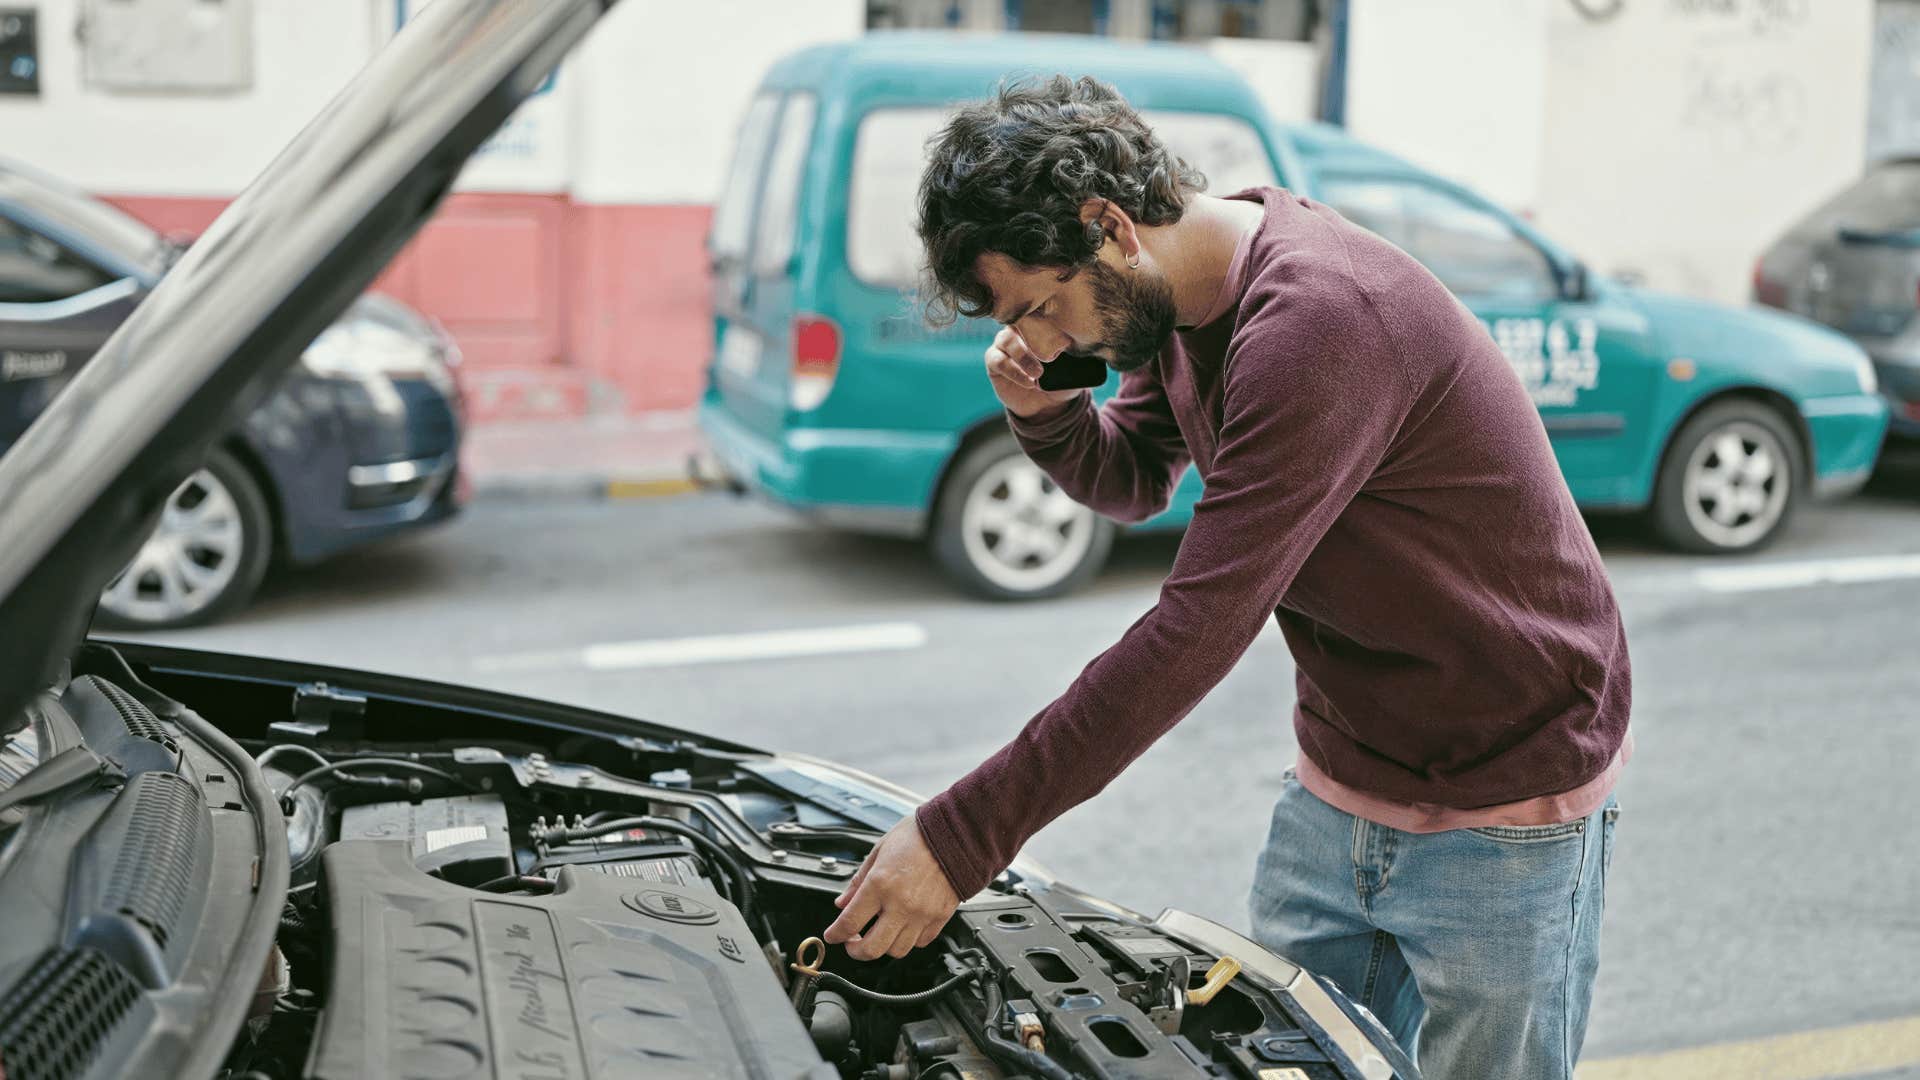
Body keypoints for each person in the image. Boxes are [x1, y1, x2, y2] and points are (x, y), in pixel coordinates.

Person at [822, 74, 1632, 1080]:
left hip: (1507, 790)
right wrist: (1049, 410)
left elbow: (1195, 630)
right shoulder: (1185, 299)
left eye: (1042, 308)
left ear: (1110, 225)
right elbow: (1135, 475)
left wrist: (961, 838)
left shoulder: (1322, 322)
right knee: (1288, 1065)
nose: (1043, 341)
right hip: (1345, 777)